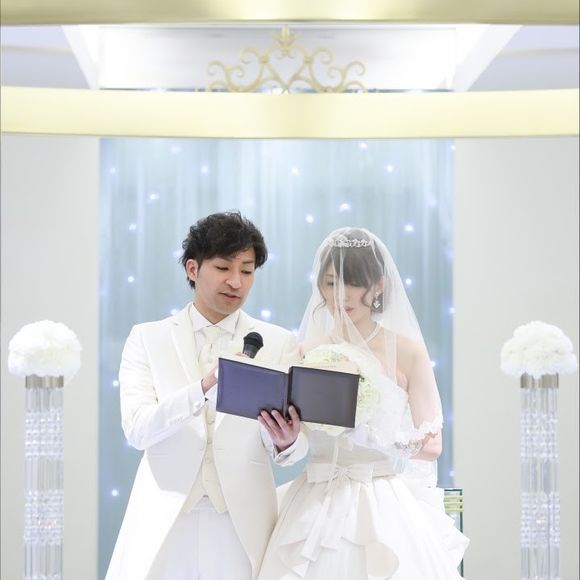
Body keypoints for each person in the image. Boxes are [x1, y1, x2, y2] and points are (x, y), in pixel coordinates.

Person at [257, 227, 469, 580]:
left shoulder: (408, 352)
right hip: (314, 499)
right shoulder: (306, 352)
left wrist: (374, 438)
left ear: (379, 285)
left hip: (381, 500)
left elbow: (432, 445)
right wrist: (288, 439)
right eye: (330, 283)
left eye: (353, 283)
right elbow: (299, 438)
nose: (340, 295)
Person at [106, 211, 307, 580]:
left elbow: (293, 448)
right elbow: (137, 430)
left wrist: (287, 441)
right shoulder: (147, 338)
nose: (236, 281)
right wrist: (203, 388)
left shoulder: (279, 342)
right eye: (223, 267)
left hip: (243, 521)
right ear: (193, 268)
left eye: (247, 271)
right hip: (165, 517)